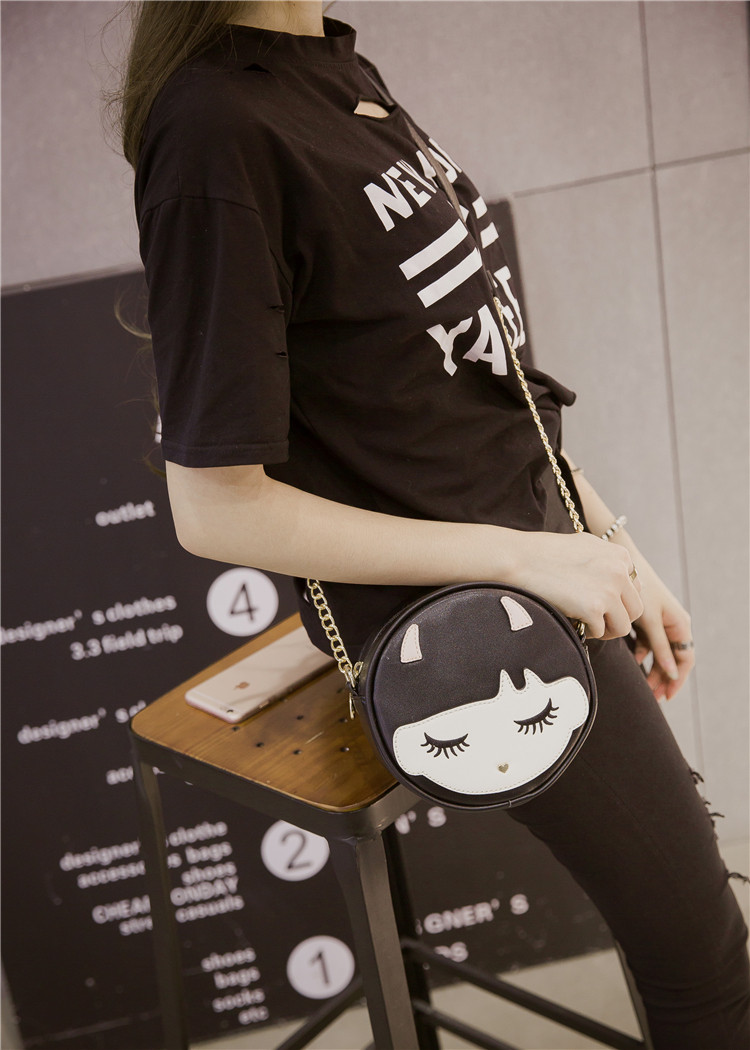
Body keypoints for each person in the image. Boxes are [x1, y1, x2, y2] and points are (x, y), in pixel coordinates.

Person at [117, 2, 750, 1045]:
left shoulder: (323, 59)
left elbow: (465, 383)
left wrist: (610, 543)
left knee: (685, 935)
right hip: (457, 620)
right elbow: (213, 505)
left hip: (537, 559)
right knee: (706, 962)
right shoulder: (215, 130)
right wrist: (530, 560)